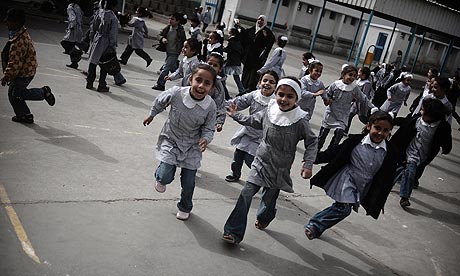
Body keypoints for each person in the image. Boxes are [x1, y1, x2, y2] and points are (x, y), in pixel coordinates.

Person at [222, 77, 318, 244]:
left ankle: (265, 217)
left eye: (290, 96)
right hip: (260, 162)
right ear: (276, 94)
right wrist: (236, 115)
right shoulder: (269, 110)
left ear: (297, 98)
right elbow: (253, 121)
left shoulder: (300, 120)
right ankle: (233, 232)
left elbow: (312, 142)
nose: (284, 99)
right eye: (281, 94)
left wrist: (308, 164)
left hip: (279, 168)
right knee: (246, 193)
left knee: (268, 201)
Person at [305, 109, 396, 240]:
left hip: (362, 185)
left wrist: (380, 198)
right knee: (344, 208)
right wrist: (313, 158)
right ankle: (315, 224)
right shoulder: (355, 141)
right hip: (347, 179)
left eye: (385, 130)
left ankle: (317, 229)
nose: (380, 133)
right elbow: (335, 153)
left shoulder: (389, 152)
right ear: (369, 126)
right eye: (377, 128)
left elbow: (387, 178)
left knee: (340, 207)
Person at [142, 64, 218, 221]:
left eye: (207, 83)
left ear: (211, 87)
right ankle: (160, 175)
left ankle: (184, 207)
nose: (201, 86)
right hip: (172, 139)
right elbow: (160, 100)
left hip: (192, 146)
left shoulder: (210, 105)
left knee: (188, 182)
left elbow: (209, 127)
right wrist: (152, 114)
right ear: (190, 79)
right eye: (198, 80)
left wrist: (206, 139)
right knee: (164, 177)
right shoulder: (177, 93)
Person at [392, 98, 452, 208]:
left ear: (432, 116)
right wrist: (392, 121)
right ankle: (405, 197)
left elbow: (447, 139)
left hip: (425, 155)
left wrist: (446, 148)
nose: (421, 111)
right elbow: (403, 127)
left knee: (401, 170)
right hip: (411, 152)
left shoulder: (442, 126)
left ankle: (387, 183)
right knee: (409, 172)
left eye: (423, 110)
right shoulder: (416, 120)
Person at [1, 8, 56, 124]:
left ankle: (43, 92)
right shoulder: (19, 33)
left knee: (17, 94)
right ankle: (25, 115)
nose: (5, 22)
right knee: (13, 94)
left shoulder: (19, 41)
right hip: (26, 69)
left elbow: (14, 63)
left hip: (24, 73)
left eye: (8, 20)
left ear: (16, 22)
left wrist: (6, 76)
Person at [224, 70, 279, 182]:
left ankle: (261, 177)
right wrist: (227, 105)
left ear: (276, 87)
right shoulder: (255, 95)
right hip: (247, 131)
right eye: (265, 80)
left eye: (272, 82)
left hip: (261, 136)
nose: (267, 83)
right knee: (238, 156)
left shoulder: (275, 102)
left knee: (251, 159)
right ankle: (235, 173)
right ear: (259, 83)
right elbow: (240, 102)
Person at [317, 65, 374, 151]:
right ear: (343, 74)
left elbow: (363, 98)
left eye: (355, 76)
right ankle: (316, 151)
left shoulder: (354, 88)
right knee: (322, 135)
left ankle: (329, 152)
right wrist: (326, 99)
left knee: (338, 135)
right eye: (350, 75)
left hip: (343, 115)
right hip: (331, 113)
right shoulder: (335, 85)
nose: (352, 78)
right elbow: (327, 95)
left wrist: (373, 107)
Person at [86, 0, 126, 92]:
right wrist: (113, 45)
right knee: (105, 63)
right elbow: (113, 34)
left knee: (93, 62)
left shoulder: (99, 13)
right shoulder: (113, 17)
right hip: (106, 42)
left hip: (97, 39)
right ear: (113, 6)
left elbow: (93, 27)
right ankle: (102, 84)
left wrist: (92, 38)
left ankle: (90, 81)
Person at [152, 12, 187, 91]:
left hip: (174, 52)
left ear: (178, 21)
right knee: (173, 67)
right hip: (168, 51)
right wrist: (162, 39)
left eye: (172, 19)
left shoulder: (180, 30)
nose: (170, 20)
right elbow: (159, 35)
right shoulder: (168, 28)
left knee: (165, 68)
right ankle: (183, 75)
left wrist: (184, 49)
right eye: (170, 18)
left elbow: (184, 41)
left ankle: (160, 84)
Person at [240, 15, 275, 93]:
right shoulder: (252, 29)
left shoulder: (267, 32)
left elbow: (270, 42)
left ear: (265, 22)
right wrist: (239, 27)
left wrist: (266, 37)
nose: (260, 21)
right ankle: (243, 88)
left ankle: (250, 89)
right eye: (259, 19)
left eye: (262, 20)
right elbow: (245, 35)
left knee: (253, 75)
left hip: (257, 58)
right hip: (248, 57)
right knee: (245, 73)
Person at [345, 66, 374, 134]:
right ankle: (345, 130)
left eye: (359, 72)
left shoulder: (366, 84)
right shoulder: (359, 81)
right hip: (355, 103)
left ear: (364, 75)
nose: (358, 73)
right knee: (350, 115)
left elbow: (365, 95)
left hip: (360, 104)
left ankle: (371, 126)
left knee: (362, 118)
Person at [206, 52, 227, 132]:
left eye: (215, 65)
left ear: (220, 69)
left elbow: (220, 104)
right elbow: (183, 87)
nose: (211, 67)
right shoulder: (197, 76)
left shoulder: (218, 86)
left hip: (206, 114)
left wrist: (219, 121)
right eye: (209, 64)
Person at [223, 28, 245, 95]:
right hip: (236, 61)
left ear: (232, 34)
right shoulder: (238, 41)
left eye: (229, 33)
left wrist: (222, 49)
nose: (228, 34)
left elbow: (229, 50)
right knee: (236, 77)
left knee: (223, 74)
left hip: (231, 61)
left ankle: (222, 88)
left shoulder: (232, 41)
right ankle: (242, 90)